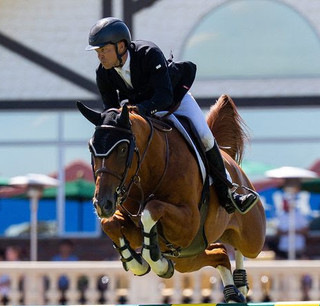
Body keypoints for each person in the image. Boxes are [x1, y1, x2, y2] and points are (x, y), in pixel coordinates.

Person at [86, 17, 259, 214]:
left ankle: (229, 192)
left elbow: (164, 95)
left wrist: (138, 111)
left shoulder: (148, 54)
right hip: (140, 111)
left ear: (121, 46)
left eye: (103, 50)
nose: (100, 56)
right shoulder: (103, 72)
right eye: (97, 52)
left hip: (174, 100)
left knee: (204, 135)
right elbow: (110, 107)